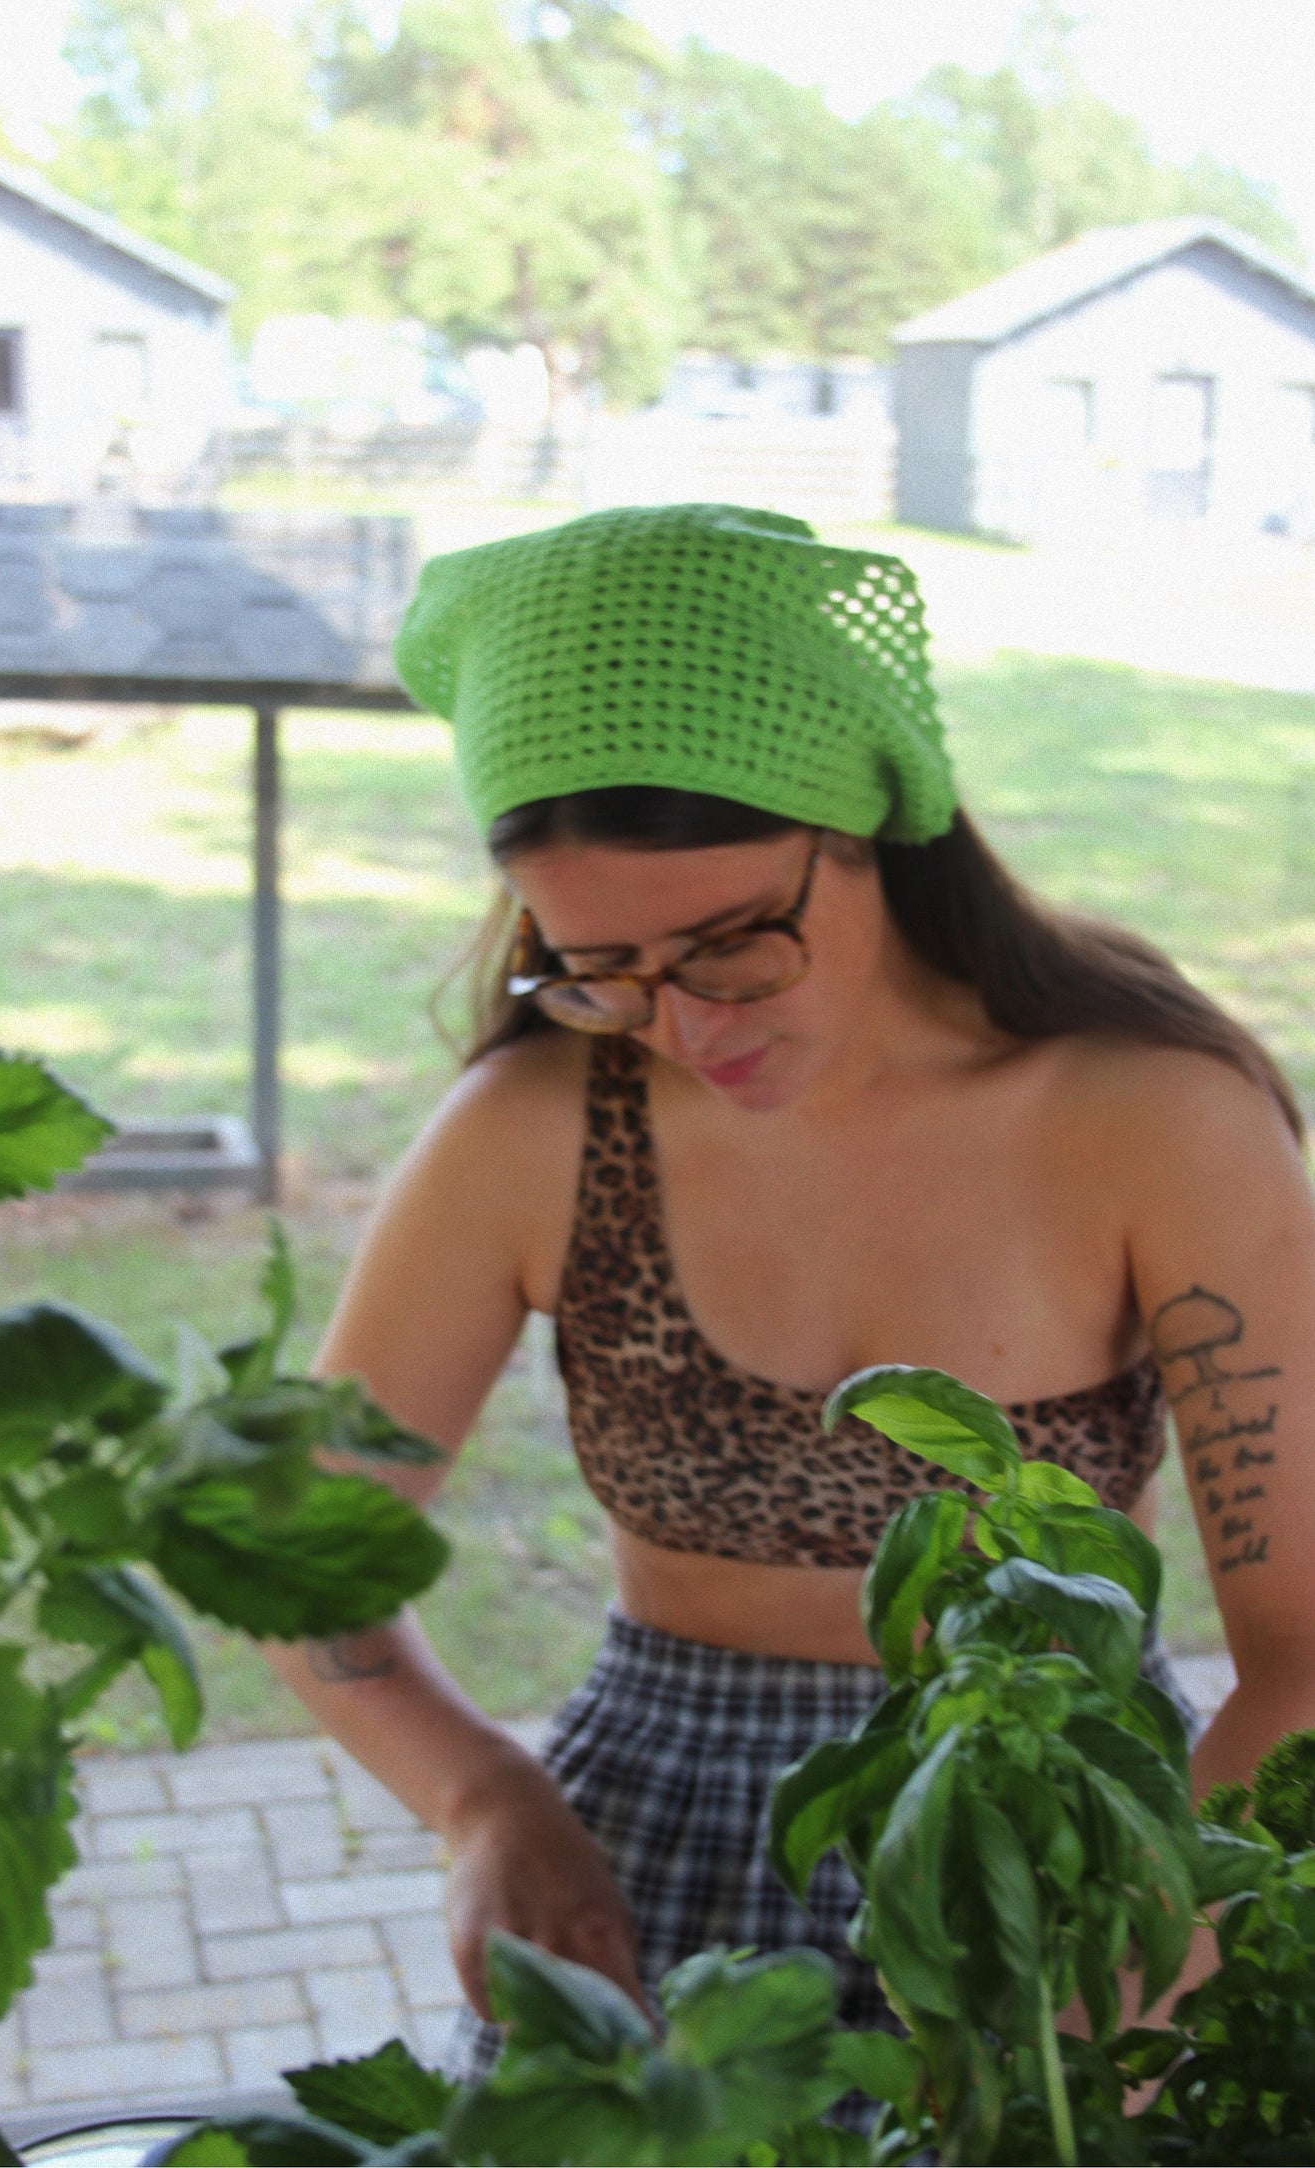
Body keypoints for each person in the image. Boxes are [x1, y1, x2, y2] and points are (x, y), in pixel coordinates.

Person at [267, 503, 1315, 2078]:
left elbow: (1301, 1649)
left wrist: (1156, 1921)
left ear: (872, 822)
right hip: (654, 1857)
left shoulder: (1147, 1117)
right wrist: (485, 1797)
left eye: (732, 942)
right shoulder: (539, 1128)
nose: (683, 1026)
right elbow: (301, 1549)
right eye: (599, 966)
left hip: (1068, 1842)